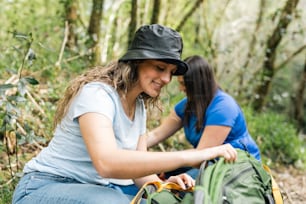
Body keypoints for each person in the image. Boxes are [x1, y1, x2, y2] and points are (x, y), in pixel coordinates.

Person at [12, 25, 237, 204]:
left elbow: (140, 174)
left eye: (171, 72)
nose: (167, 79)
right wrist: (193, 155)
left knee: (165, 200)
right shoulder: (97, 94)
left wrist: (166, 182)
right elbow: (107, 163)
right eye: (160, 68)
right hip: (43, 188)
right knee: (115, 201)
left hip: (95, 189)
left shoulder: (138, 106)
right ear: (136, 62)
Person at [146, 55, 260, 178]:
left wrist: (160, 162)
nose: (181, 88)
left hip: (237, 166)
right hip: (207, 160)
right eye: (180, 83)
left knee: (184, 184)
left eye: (184, 84)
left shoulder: (223, 107)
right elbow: (156, 135)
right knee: (158, 173)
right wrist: (132, 149)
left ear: (197, 84)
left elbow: (200, 156)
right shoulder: (185, 106)